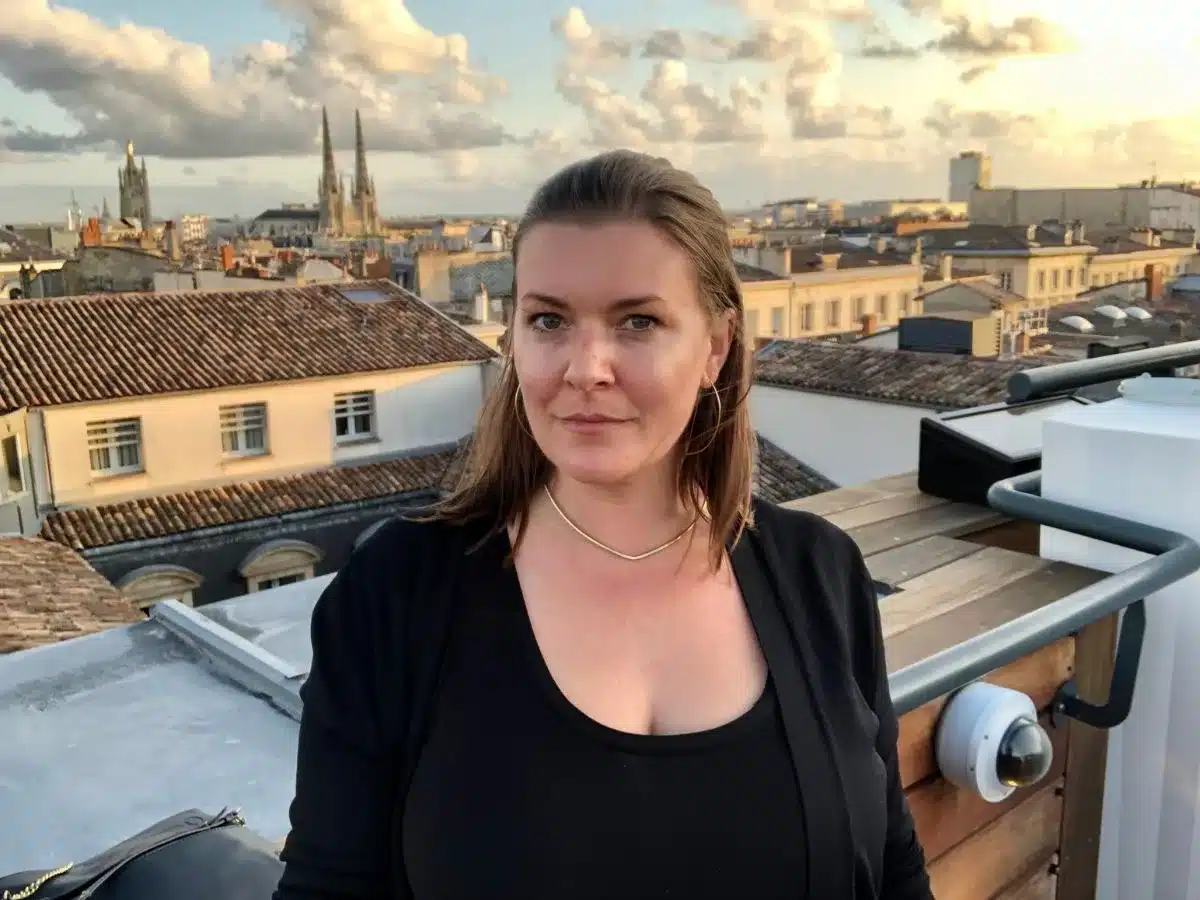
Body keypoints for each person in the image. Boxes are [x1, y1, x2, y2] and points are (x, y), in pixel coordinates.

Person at [273, 150, 932, 900]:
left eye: (639, 322)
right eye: (549, 319)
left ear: (715, 346)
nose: (586, 367)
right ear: (513, 338)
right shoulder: (396, 593)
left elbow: (893, 862)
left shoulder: (821, 574)